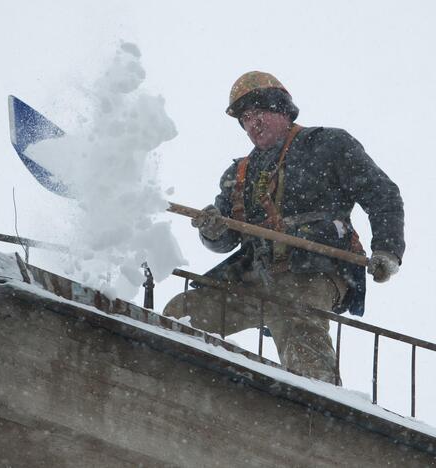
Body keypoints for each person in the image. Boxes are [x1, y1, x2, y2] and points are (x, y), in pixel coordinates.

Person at [163, 71, 404, 384]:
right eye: (245, 118)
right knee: (183, 312)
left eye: (259, 112)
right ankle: (186, 388)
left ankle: (320, 407)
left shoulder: (328, 145)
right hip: (257, 275)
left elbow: (381, 193)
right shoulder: (240, 173)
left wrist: (387, 250)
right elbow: (225, 239)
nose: (252, 124)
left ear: (283, 111)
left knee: (295, 316)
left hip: (315, 268)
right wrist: (212, 229)